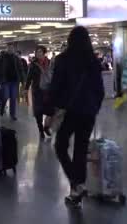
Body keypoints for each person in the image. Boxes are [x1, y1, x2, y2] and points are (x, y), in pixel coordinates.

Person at [50, 26, 104, 209]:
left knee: (60, 146)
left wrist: (51, 110)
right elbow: (100, 91)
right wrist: (94, 108)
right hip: (88, 111)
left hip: (70, 111)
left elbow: (56, 87)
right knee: (80, 149)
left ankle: (77, 184)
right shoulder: (94, 62)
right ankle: (77, 188)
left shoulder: (63, 60)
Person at [24, 46, 52, 140]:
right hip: (37, 91)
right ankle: (41, 130)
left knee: (50, 111)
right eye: (37, 52)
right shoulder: (33, 65)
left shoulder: (50, 63)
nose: (38, 54)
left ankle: (46, 127)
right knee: (38, 112)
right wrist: (26, 88)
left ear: (44, 53)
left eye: (40, 52)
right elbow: (29, 77)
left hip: (49, 90)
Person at [0, 44, 23, 120]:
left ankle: (13, 114)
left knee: (13, 98)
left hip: (14, 81)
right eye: (9, 48)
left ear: (14, 49)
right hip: (5, 81)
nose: (10, 49)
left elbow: (20, 69)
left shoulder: (16, 58)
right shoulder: (2, 57)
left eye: (12, 48)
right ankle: (2, 108)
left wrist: (22, 79)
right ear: (6, 48)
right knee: (5, 96)